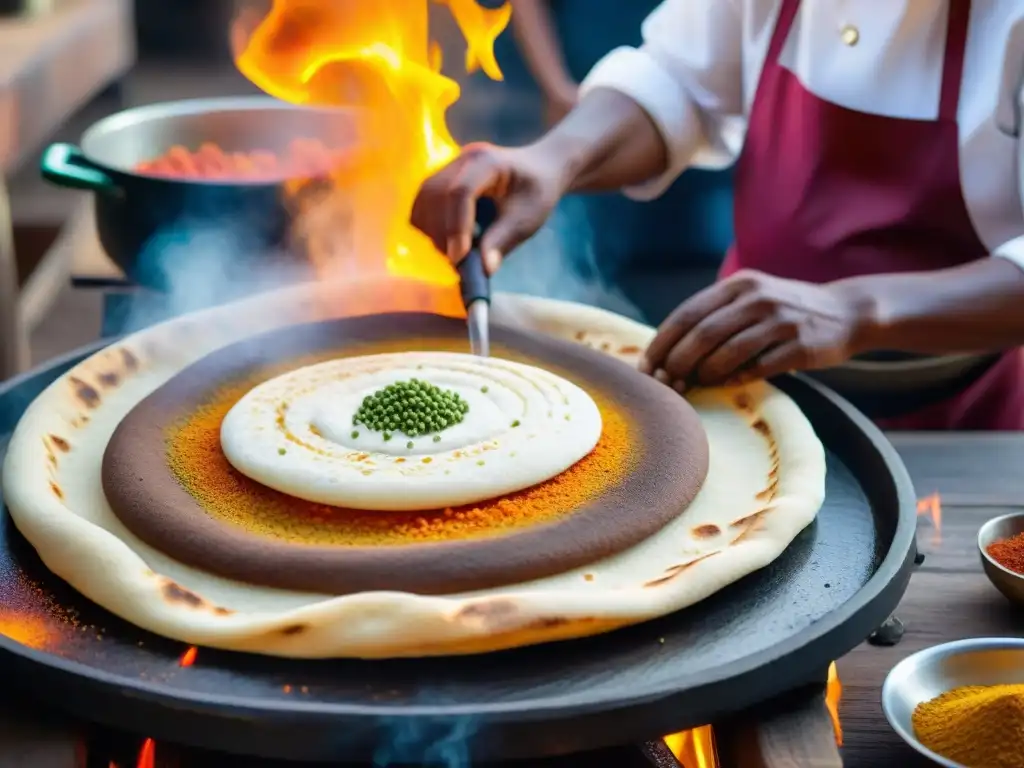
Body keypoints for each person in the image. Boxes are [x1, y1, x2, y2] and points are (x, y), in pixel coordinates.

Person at [412, 0, 1024, 431]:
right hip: (749, 375)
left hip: (964, 408)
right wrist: (555, 159)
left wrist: (851, 310)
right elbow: (677, 81)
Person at [508, 0, 734, 299]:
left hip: (711, 184)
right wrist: (553, 151)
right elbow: (678, 74)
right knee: (590, 263)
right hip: (596, 111)